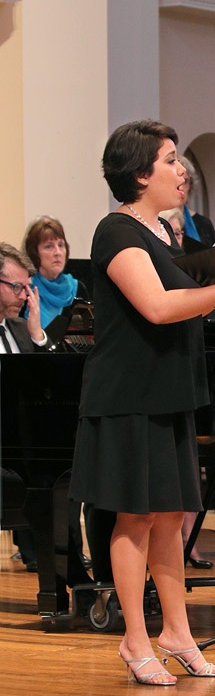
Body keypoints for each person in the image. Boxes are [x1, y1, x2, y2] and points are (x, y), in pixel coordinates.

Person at [68, 120, 215, 684]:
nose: (182, 170)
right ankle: (134, 640)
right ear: (139, 175)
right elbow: (158, 307)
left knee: (171, 516)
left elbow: (184, 299)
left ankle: (177, 632)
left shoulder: (164, 233)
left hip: (168, 390)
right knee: (135, 517)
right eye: (170, 160)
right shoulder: (115, 232)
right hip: (128, 396)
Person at [0, 241, 53, 572]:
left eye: (28, 289)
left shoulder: (21, 330)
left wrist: (38, 337)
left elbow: (48, 390)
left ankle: (63, 566)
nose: (25, 296)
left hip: (22, 444)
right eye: (18, 287)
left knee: (59, 480)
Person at [23, 216, 81, 331]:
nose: (58, 252)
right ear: (35, 252)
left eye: (61, 245)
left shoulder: (78, 288)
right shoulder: (25, 290)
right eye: (49, 246)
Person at [178, 154, 215, 246]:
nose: (181, 187)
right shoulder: (158, 222)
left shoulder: (204, 224)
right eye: (176, 180)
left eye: (185, 181)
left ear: (190, 186)